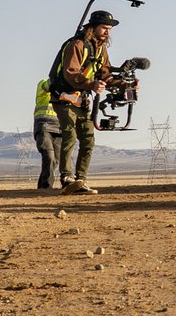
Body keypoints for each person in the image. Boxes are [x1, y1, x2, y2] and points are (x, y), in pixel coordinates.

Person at [49, 10, 120, 195]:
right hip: (64, 98)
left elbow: (105, 74)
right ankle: (67, 178)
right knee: (69, 136)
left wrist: (125, 84)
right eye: (104, 28)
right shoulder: (77, 45)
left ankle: (80, 180)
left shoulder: (101, 49)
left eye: (109, 29)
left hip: (82, 100)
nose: (107, 32)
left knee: (88, 139)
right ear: (93, 27)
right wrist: (91, 84)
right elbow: (71, 73)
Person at [33, 77, 61, 189]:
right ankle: (46, 187)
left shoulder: (66, 91)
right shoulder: (44, 83)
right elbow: (48, 86)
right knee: (49, 156)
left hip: (59, 128)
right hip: (44, 125)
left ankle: (42, 187)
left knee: (55, 160)